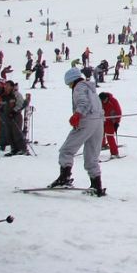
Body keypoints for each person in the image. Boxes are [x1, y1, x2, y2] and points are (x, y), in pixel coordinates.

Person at [50, 68, 105, 196]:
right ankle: (97, 186)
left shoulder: (79, 87)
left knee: (66, 150)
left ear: (72, 81)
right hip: (99, 122)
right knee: (92, 156)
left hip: (87, 120)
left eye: (69, 84)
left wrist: (77, 115)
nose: (70, 87)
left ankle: (64, 178)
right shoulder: (91, 89)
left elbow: (83, 103)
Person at [2, 81, 29, 156]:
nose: (6, 87)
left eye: (7, 85)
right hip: (7, 116)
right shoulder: (5, 95)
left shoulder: (16, 94)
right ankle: (14, 149)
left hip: (15, 116)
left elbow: (20, 104)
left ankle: (23, 149)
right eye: (5, 85)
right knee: (9, 133)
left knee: (17, 133)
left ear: (12, 86)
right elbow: (3, 104)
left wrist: (14, 111)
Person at [98, 92, 122, 158]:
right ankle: (102, 145)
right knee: (100, 134)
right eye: (101, 101)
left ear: (107, 98)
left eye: (104, 100)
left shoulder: (113, 101)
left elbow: (118, 112)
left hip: (111, 121)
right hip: (101, 120)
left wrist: (116, 122)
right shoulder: (98, 101)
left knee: (110, 136)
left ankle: (114, 153)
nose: (103, 102)